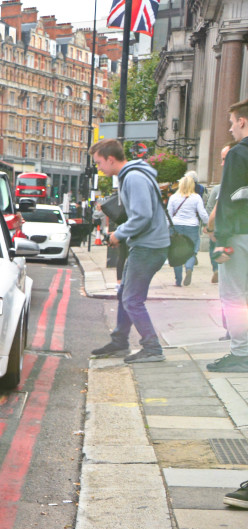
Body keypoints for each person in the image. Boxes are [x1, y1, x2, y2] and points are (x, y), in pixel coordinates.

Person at [89, 138, 171, 363]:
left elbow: (142, 216)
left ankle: (152, 348)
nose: (99, 168)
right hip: (147, 245)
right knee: (124, 293)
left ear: (110, 159)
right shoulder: (133, 175)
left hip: (148, 247)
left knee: (132, 299)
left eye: (99, 162)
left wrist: (119, 234)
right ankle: (120, 342)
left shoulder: (133, 177)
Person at [209, 98, 248, 379]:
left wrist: (221, 240)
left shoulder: (238, 154)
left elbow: (230, 200)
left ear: (242, 121)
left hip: (239, 234)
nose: (231, 129)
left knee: (234, 296)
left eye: (232, 123)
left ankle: (240, 354)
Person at [167, 173, 209, 286]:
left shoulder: (173, 197)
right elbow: (203, 214)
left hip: (176, 226)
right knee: (191, 250)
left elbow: (169, 214)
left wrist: (166, 228)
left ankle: (178, 280)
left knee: (175, 251)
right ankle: (189, 268)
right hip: (192, 226)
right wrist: (208, 224)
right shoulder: (196, 197)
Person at [207, 144, 233, 284]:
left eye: (224, 159)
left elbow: (213, 210)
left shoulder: (225, 185)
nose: (222, 164)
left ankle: (216, 268)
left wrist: (209, 227)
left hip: (227, 232)